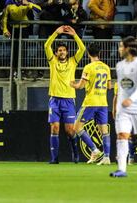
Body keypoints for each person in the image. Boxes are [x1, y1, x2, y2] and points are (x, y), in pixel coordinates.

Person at [110, 36, 137, 178]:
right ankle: (121, 169)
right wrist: (118, 105)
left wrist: (131, 99)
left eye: (121, 46)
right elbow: (122, 88)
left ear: (128, 48)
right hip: (124, 108)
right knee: (122, 135)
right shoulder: (119, 65)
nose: (119, 49)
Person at [44, 25, 88, 164]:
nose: (61, 52)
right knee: (54, 127)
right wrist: (55, 33)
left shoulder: (73, 62)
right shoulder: (53, 62)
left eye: (63, 50)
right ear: (56, 53)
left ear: (67, 52)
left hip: (69, 100)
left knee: (70, 130)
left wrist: (74, 35)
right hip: (55, 100)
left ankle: (75, 154)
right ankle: (54, 158)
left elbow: (82, 49)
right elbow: (46, 45)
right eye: (59, 50)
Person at [70, 43, 112, 165]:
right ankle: (107, 157)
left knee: (77, 127)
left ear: (88, 53)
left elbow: (80, 86)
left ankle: (94, 150)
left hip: (90, 102)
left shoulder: (88, 67)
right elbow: (109, 86)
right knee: (104, 131)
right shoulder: (106, 67)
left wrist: (72, 84)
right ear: (99, 53)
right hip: (103, 102)